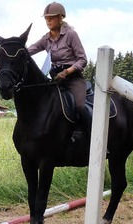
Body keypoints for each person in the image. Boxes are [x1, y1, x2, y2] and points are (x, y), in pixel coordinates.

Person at [29, 2, 89, 141]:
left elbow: (82, 60)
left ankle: (86, 133)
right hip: (56, 79)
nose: (48, 20)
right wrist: (5, 61)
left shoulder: (71, 34)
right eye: (46, 18)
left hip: (73, 78)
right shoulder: (46, 38)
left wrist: (67, 72)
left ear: (60, 18)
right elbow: (29, 50)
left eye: (52, 17)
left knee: (80, 106)